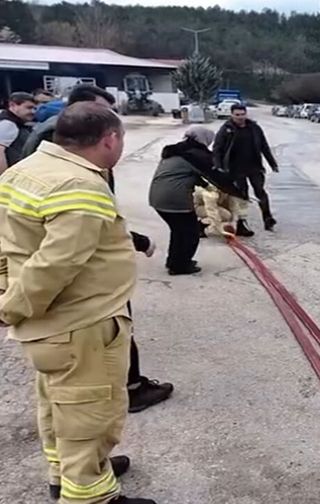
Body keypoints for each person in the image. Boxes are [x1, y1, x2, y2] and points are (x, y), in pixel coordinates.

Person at [0, 102, 156, 504]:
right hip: (80, 323)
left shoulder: (24, 171)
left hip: (49, 329)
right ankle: (89, 494)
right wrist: (8, 308)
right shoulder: (80, 186)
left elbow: (6, 245)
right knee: (90, 415)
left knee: (59, 406)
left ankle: (67, 474)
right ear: (110, 139)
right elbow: (55, 265)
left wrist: (5, 294)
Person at [18, 83, 174, 413]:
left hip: (58, 307)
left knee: (61, 398)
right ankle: (129, 392)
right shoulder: (76, 174)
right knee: (86, 411)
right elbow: (59, 255)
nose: (110, 118)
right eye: (105, 111)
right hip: (80, 307)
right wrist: (12, 307)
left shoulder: (52, 152)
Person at [148, 127, 217, 275]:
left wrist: (204, 185)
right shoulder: (196, 154)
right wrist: (234, 190)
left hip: (157, 198)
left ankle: (174, 262)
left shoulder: (177, 151)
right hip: (175, 199)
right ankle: (181, 266)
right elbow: (215, 173)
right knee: (191, 233)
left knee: (178, 231)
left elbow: (187, 173)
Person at [213, 103, 279, 234]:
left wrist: (272, 163)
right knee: (241, 196)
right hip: (235, 169)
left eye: (242, 114)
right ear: (232, 115)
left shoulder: (254, 128)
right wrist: (218, 166)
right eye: (237, 115)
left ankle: (268, 218)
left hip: (255, 167)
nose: (240, 117)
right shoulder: (226, 129)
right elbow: (217, 149)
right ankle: (241, 223)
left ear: (246, 114)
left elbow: (264, 146)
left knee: (260, 192)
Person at [0, 91, 36, 172]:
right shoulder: (8, 124)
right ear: (13, 105)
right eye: (29, 108)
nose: (33, 112)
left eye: (34, 108)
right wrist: (3, 176)